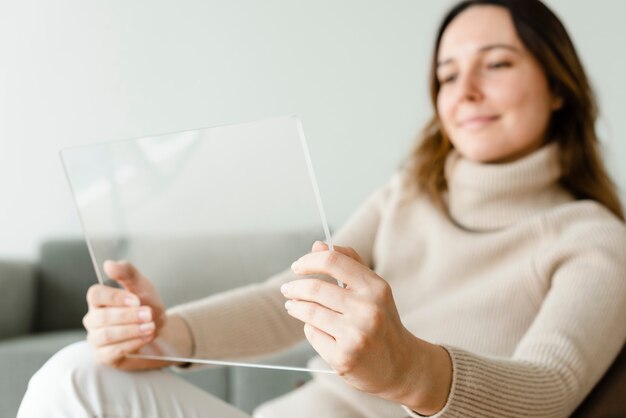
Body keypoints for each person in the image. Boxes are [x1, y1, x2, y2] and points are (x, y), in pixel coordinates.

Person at [18, 0, 626, 417]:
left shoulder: (593, 239)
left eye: (496, 64)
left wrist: (411, 369)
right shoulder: (406, 194)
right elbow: (287, 299)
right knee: (76, 372)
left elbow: (553, 391)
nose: (463, 91)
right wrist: (163, 334)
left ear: (557, 87)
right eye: (446, 74)